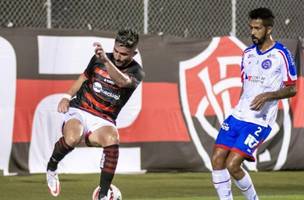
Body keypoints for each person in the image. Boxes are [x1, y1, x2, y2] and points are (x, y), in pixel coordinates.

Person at [46, 29, 145, 200]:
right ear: (113, 47)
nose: (119, 57)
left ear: (134, 53)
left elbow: (121, 81)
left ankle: (103, 194)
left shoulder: (137, 71)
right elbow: (84, 77)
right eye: (116, 51)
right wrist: (66, 96)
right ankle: (51, 167)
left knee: (112, 138)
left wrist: (107, 61)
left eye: (124, 54)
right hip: (80, 109)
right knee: (72, 138)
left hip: (104, 119)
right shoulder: (98, 60)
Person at [211, 7, 297, 200]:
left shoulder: (281, 54)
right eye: (251, 27)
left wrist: (268, 95)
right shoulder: (247, 53)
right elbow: (246, 85)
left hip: (260, 121)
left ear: (268, 29)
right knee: (217, 159)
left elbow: (292, 89)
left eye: (257, 28)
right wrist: (238, 108)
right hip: (238, 115)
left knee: (233, 165)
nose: (252, 32)